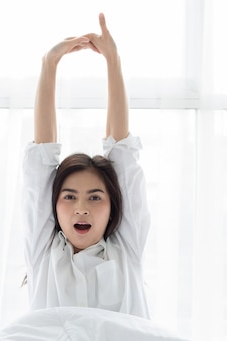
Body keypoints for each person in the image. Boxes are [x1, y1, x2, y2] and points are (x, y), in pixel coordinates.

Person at [22, 13, 150, 319]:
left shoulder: (126, 250)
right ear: (53, 205)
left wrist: (113, 59)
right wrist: (49, 65)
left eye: (95, 197)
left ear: (112, 207)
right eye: (69, 197)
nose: (82, 208)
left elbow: (122, 152)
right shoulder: (44, 254)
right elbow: (41, 159)